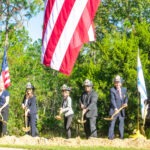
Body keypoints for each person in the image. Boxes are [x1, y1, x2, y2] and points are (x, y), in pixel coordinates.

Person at [108, 75, 128, 140]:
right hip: (114, 110)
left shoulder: (124, 89)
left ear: (121, 83)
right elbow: (112, 100)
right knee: (112, 124)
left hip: (121, 110)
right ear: (114, 83)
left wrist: (125, 103)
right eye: (116, 82)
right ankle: (110, 138)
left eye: (118, 82)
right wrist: (115, 108)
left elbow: (126, 98)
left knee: (121, 124)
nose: (117, 84)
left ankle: (121, 138)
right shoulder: (112, 90)